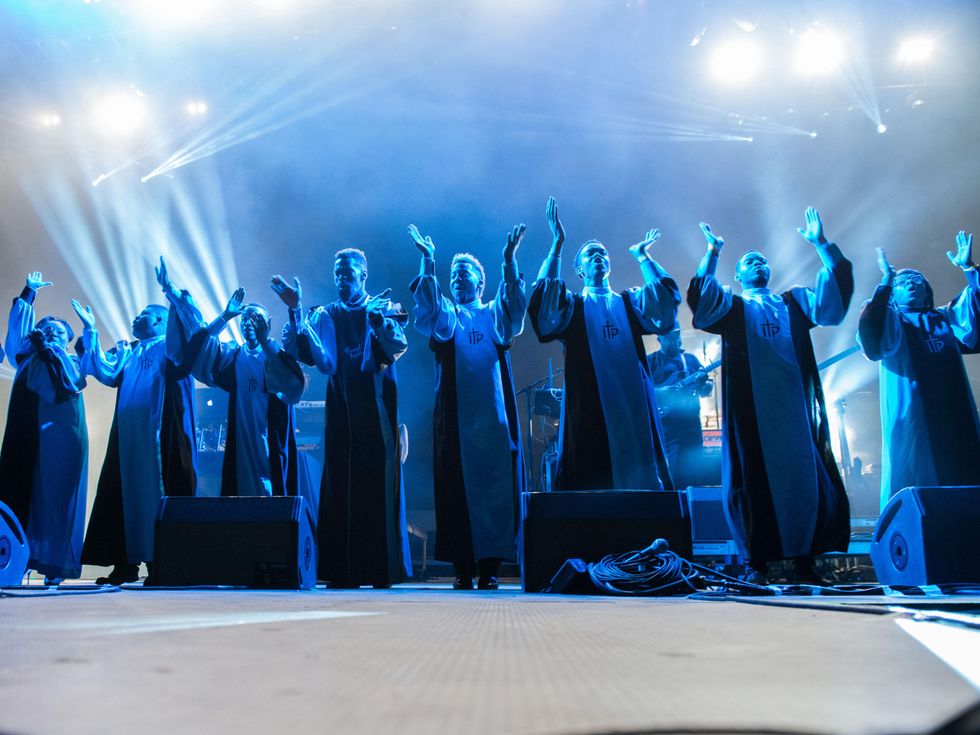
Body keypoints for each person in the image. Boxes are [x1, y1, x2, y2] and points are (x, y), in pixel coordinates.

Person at [687, 208, 853, 585]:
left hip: (797, 412)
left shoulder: (793, 303)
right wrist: (713, 252)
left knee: (806, 479)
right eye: (749, 261)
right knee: (753, 480)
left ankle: (806, 562)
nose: (758, 263)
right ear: (738, 275)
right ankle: (757, 564)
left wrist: (822, 244)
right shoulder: (734, 307)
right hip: (753, 415)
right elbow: (702, 301)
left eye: (762, 260)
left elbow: (832, 304)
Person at [277, 248, 411, 588]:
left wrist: (378, 322)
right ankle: (343, 570)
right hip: (341, 410)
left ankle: (380, 570)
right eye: (337, 274)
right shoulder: (327, 314)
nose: (341, 280)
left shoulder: (381, 306)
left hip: (377, 409)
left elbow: (397, 346)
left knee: (377, 487)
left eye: (348, 274)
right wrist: (295, 309)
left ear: (363, 275)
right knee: (341, 486)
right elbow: (305, 351)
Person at [527, 197, 680, 492]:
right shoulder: (574, 306)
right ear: (580, 270)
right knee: (593, 479)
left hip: (632, 403)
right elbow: (544, 313)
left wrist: (643, 258)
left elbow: (663, 311)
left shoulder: (629, 303)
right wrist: (557, 246)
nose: (598, 256)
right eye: (590, 254)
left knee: (640, 476)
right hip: (590, 404)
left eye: (603, 253)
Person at [409, 222, 527, 590]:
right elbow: (430, 308)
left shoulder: (492, 313)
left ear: (480, 282)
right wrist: (429, 262)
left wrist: (509, 260)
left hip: (492, 422)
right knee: (455, 491)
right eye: (454, 275)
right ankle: (462, 568)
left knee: (494, 491)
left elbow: (515, 311)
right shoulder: (449, 315)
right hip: (456, 422)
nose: (458, 278)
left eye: (465, 273)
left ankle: (489, 568)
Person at [76, 261, 200, 585]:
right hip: (129, 438)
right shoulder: (129, 350)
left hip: (158, 434)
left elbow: (188, 336)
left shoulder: (169, 347)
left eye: (143, 314)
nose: (135, 318)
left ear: (159, 321)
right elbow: (105, 372)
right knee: (123, 494)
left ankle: (161, 562)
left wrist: (170, 293)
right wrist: (91, 330)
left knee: (160, 491)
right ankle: (125, 563)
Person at [857, 233, 980, 507]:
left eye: (917, 280)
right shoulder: (891, 321)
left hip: (956, 415)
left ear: (927, 290)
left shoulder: (946, 317)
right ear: (893, 294)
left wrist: (969, 267)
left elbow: (975, 310)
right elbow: (872, 339)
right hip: (913, 420)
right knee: (917, 484)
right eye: (903, 282)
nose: (911, 283)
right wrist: (886, 282)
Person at [163, 263, 306, 497]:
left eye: (256, 319)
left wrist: (292, 311)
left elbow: (293, 388)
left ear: (268, 324)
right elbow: (200, 344)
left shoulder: (274, 355)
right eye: (245, 318)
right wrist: (225, 316)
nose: (249, 322)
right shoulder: (233, 356)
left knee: (272, 489)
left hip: (269, 440)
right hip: (242, 441)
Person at [0, 273, 88, 585]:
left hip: (59, 438)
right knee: (17, 492)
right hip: (25, 434)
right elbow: (17, 330)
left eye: (58, 331)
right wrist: (29, 292)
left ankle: (55, 564)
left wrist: (54, 348)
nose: (51, 332)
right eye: (46, 328)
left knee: (55, 498)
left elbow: (70, 385)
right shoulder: (25, 356)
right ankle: (17, 559)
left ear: (67, 339)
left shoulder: (71, 362)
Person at [649, 328, 713, 488]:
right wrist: (664, 392)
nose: (675, 341)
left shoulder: (690, 360)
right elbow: (641, 390)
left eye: (677, 337)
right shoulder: (651, 361)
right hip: (667, 426)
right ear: (659, 339)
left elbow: (705, 390)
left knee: (695, 471)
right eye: (670, 338)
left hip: (692, 425)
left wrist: (704, 384)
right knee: (671, 470)